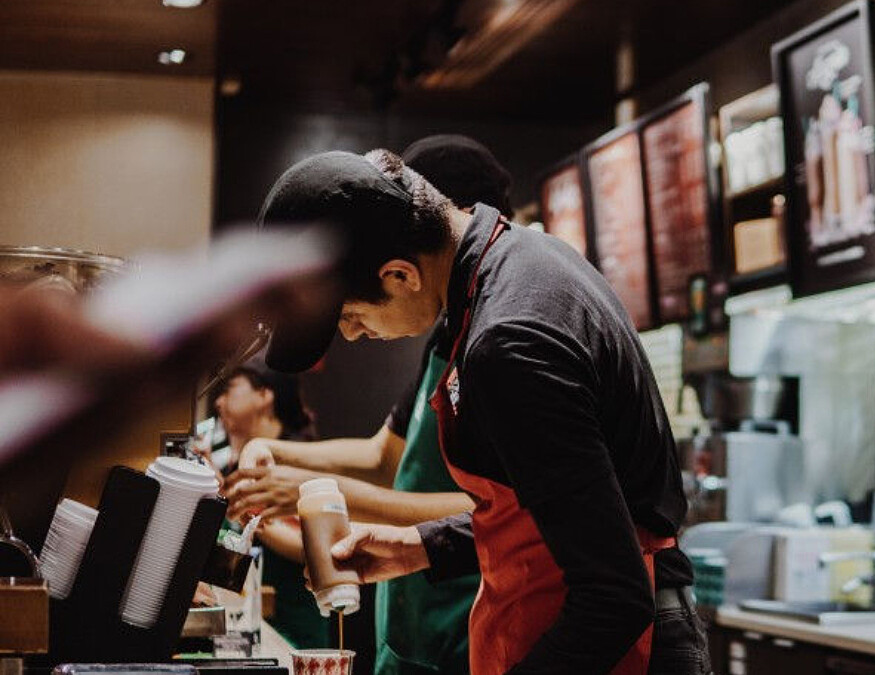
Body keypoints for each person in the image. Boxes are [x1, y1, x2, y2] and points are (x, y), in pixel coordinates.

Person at [257, 150, 709, 675]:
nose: (355, 336)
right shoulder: (523, 262)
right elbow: (561, 516)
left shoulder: (509, 340)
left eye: (352, 317)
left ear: (401, 275)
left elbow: (614, 595)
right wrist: (420, 546)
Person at [226, 135, 513, 675]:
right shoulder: (444, 336)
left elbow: (501, 515)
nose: (352, 335)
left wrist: (319, 495)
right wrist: (275, 452)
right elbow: (386, 456)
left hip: (466, 616)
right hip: (410, 618)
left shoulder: (501, 340)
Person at [209, 362, 333, 649]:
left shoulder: (298, 459)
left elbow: (314, 545)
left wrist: (241, 508)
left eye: (229, 391)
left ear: (265, 395)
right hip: (250, 625)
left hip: (297, 629)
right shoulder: (233, 465)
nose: (218, 402)